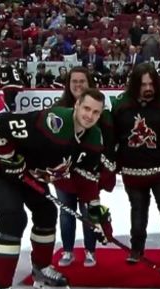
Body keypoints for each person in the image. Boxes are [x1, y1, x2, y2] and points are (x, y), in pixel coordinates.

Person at [0, 88, 110, 289]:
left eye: (95, 112)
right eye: (86, 108)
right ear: (76, 106)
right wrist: (8, 157)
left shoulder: (93, 138)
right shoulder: (53, 123)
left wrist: (97, 216)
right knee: (13, 218)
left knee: (46, 212)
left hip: (26, 172)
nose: (89, 115)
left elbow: (87, 183)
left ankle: (41, 269)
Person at [110, 63, 160, 266]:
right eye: (143, 84)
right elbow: (112, 137)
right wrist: (115, 163)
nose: (148, 88)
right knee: (137, 212)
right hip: (133, 172)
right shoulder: (121, 105)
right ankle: (136, 248)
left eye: (151, 83)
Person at [52, 67, 116, 268]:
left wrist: (106, 170)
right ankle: (68, 250)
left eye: (82, 81)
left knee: (89, 211)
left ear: (89, 84)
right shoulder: (59, 108)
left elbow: (109, 143)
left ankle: (90, 250)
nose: (78, 85)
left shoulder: (100, 113)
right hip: (64, 174)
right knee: (66, 212)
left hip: (90, 173)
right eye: (74, 81)